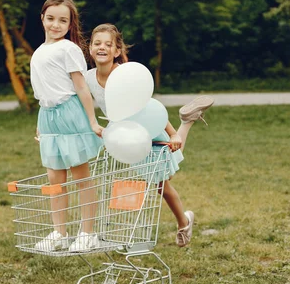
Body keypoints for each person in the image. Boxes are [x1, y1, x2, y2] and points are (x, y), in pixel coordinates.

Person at [85, 23, 214, 247]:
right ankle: (182, 222)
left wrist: (172, 133)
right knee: (161, 180)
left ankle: (185, 123)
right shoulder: (87, 78)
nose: (102, 47)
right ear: (90, 48)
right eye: (97, 43)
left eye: (108, 44)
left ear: (117, 51)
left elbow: (147, 106)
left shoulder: (124, 75)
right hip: (126, 137)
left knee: (161, 181)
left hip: (148, 126)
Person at [30, 0, 104, 252]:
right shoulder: (39, 51)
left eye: (63, 20)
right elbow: (42, 89)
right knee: (54, 180)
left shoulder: (70, 49)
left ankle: (87, 232)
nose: (55, 25)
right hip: (48, 117)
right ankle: (59, 233)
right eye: (50, 18)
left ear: (70, 23)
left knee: (81, 177)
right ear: (42, 19)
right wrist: (42, 122)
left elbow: (81, 88)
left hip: (71, 115)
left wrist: (92, 122)